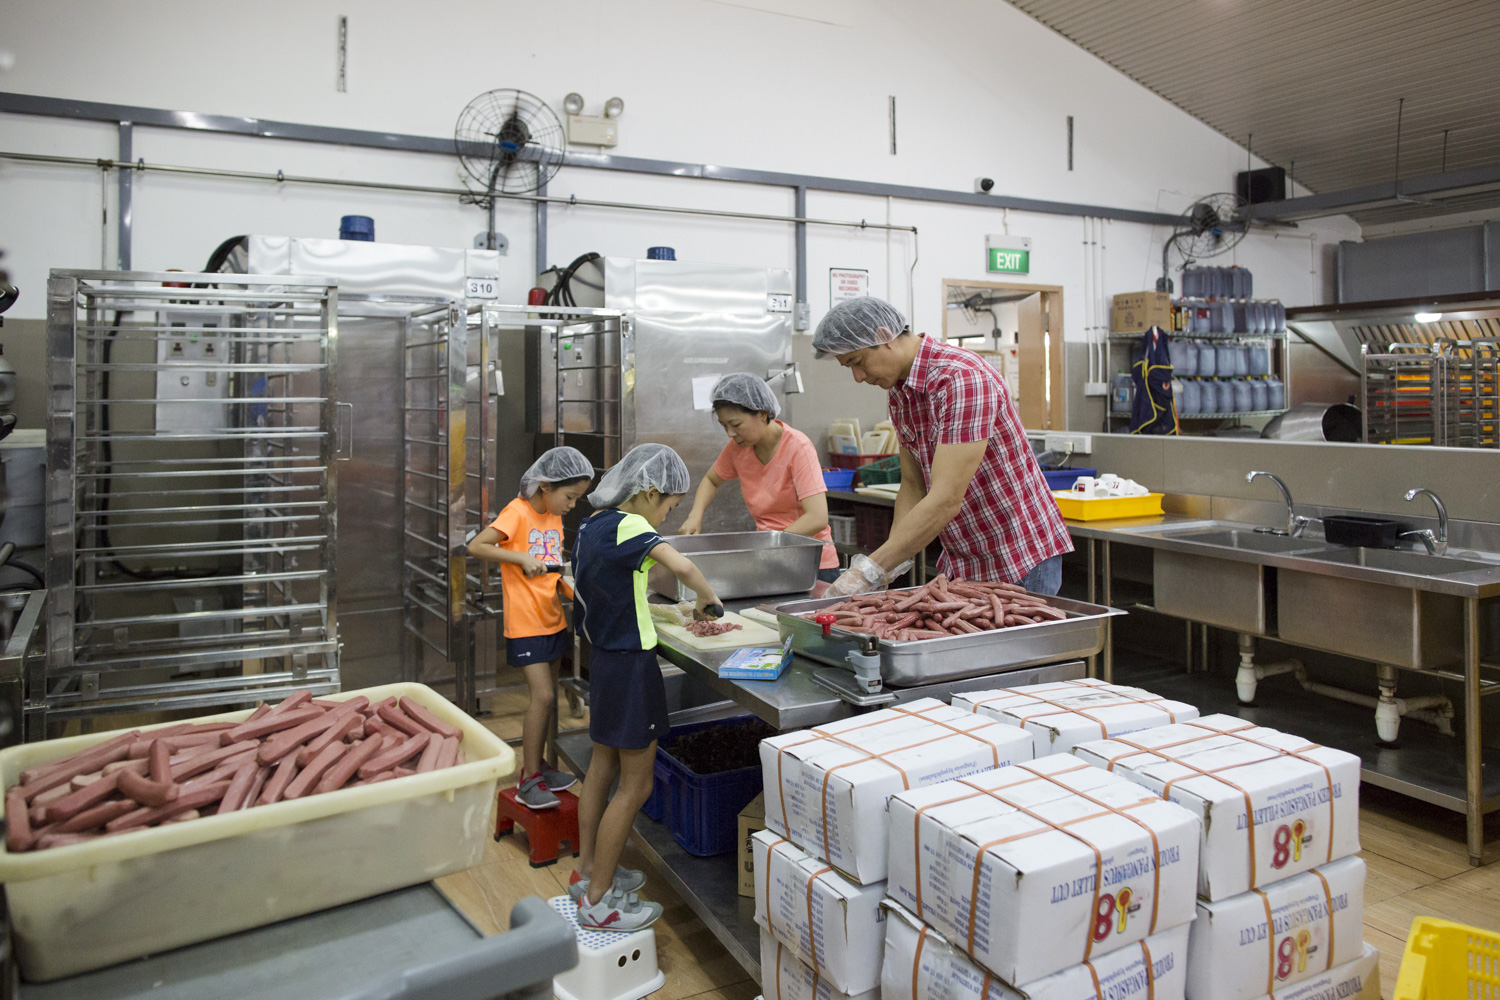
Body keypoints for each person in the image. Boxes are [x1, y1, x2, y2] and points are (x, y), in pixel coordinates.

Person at [811, 296, 1072, 597]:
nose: (858, 377)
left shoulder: (963, 380)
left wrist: (871, 569)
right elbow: (912, 485)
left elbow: (946, 498)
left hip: (1018, 555)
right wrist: (890, 564)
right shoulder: (900, 392)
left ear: (884, 337)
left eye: (858, 362)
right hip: (963, 556)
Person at [569, 443, 721, 931]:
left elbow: (613, 588)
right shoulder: (633, 526)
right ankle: (598, 902)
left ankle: (589, 870)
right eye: (670, 506)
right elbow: (680, 566)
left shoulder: (593, 524)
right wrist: (708, 598)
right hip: (633, 669)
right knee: (637, 785)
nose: (667, 516)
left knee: (600, 769)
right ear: (651, 491)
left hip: (604, 663)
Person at [466, 446, 594, 811]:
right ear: (545, 486)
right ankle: (528, 778)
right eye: (569, 497)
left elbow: (552, 568)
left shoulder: (552, 517)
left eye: (576, 499)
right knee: (542, 698)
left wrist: (578, 588)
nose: (571, 505)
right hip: (526, 622)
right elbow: (478, 545)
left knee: (549, 697)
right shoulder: (517, 512)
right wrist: (520, 557)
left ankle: (542, 767)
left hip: (552, 617)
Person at [678, 373, 840, 583]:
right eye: (724, 425)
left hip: (811, 563)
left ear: (762, 414)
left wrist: (770, 543)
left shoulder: (798, 447)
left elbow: (817, 518)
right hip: (768, 558)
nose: (730, 433)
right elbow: (711, 480)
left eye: (736, 425)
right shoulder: (737, 449)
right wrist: (695, 516)